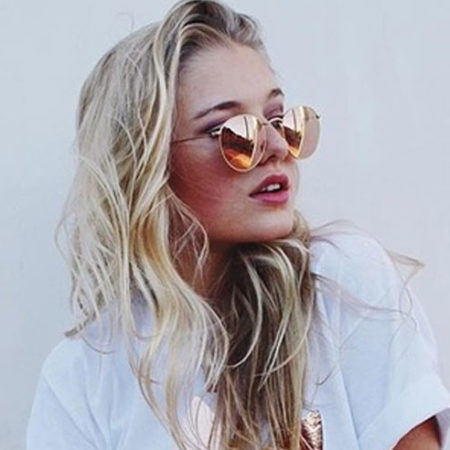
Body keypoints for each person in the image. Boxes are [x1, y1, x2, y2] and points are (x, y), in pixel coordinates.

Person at [27, 1, 450, 449]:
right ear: (148, 165)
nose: (276, 146)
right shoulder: (84, 377)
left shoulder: (340, 285)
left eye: (280, 120)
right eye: (234, 133)